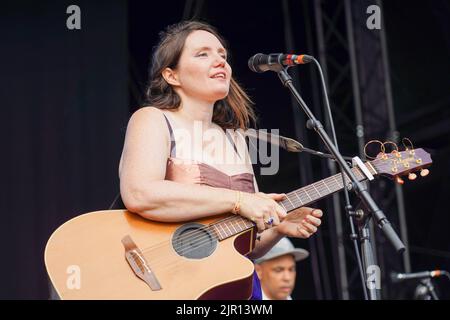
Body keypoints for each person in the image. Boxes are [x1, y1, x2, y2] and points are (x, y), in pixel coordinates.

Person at [118, 20, 323, 300]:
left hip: (235, 289)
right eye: (203, 54)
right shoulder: (153, 119)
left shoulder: (235, 138)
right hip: (178, 286)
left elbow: (239, 247)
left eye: (222, 55)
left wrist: (277, 230)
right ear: (171, 75)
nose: (220, 62)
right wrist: (239, 201)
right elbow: (140, 193)